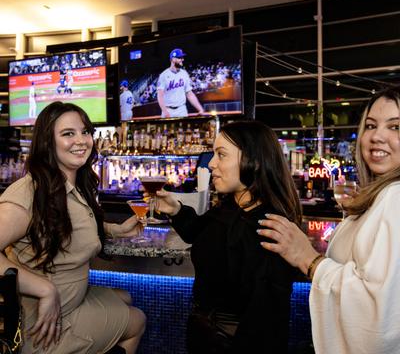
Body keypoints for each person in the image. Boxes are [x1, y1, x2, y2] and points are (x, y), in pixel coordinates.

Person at [258, 85, 400, 354]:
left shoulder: (396, 196)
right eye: (370, 125)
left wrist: (308, 259)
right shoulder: (385, 196)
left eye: (395, 127)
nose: (377, 136)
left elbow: (377, 317)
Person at [0, 102, 146, 353]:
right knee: (137, 319)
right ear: (48, 142)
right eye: (68, 133)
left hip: (70, 298)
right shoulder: (29, 193)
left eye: (85, 131)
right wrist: (44, 290)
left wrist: (114, 230)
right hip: (46, 324)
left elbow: (66, 225)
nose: (82, 140)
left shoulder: (71, 184)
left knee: (125, 296)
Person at [154, 120, 302, 353]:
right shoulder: (230, 207)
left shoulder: (269, 226)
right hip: (205, 333)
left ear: (253, 161)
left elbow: (265, 321)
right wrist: (176, 210)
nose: (211, 163)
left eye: (221, 155)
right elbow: (201, 233)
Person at [156, 48, 204, 118]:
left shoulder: (184, 73)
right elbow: (160, 96)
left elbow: (189, 94)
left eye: (182, 58)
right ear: (173, 59)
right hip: (168, 109)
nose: (182, 59)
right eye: (180, 58)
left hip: (182, 109)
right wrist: (165, 112)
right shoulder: (164, 75)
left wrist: (200, 108)